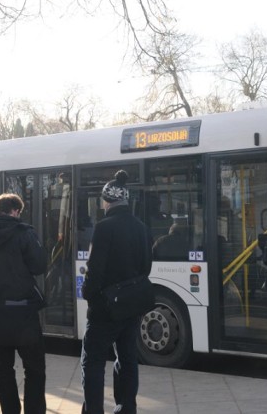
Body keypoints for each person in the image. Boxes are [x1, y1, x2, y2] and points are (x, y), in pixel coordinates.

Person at [80, 170, 153, 414]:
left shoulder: (103, 228)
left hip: (104, 309)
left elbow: (94, 271)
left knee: (93, 363)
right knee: (128, 360)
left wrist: (89, 295)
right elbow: (146, 267)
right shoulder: (141, 227)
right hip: (130, 307)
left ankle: (93, 410)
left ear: (106, 201)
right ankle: (126, 407)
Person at [0, 193, 47, 414]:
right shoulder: (25, 233)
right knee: (34, 369)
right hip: (24, 311)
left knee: (3, 369)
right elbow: (39, 266)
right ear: (15, 211)